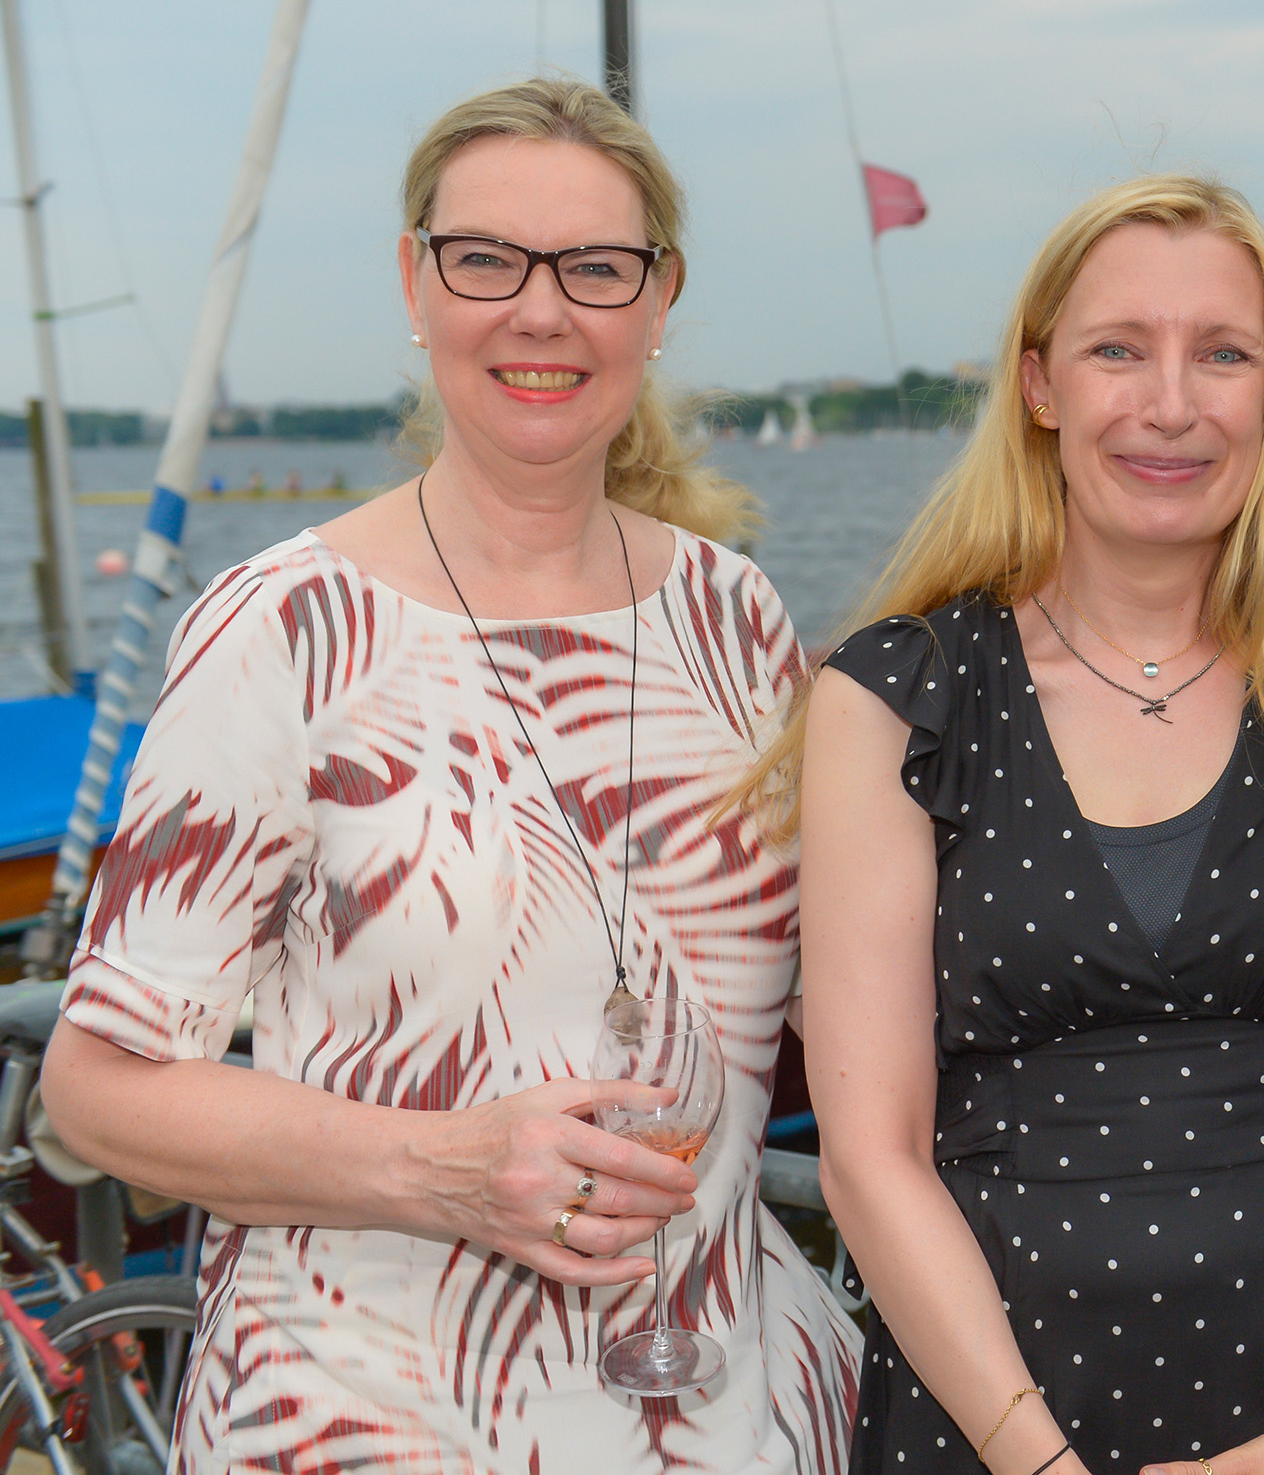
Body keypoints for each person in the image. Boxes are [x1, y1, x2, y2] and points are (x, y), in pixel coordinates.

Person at [42, 77, 859, 1472]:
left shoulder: (737, 617)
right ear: (416, 283)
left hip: (731, 1412)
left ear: (659, 301)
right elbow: (96, 1084)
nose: (541, 311)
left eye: (596, 267)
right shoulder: (283, 628)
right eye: (487, 259)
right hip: (375, 1420)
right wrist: (445, 1171)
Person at [777, 176, 1264, 1475]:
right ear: (1039, 384)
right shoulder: (898, 697)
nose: (1170, 404)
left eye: (1223, 354)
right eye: (1118, 350)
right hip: (993, 1414)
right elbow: (870, 1151)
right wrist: (1039, 1464)